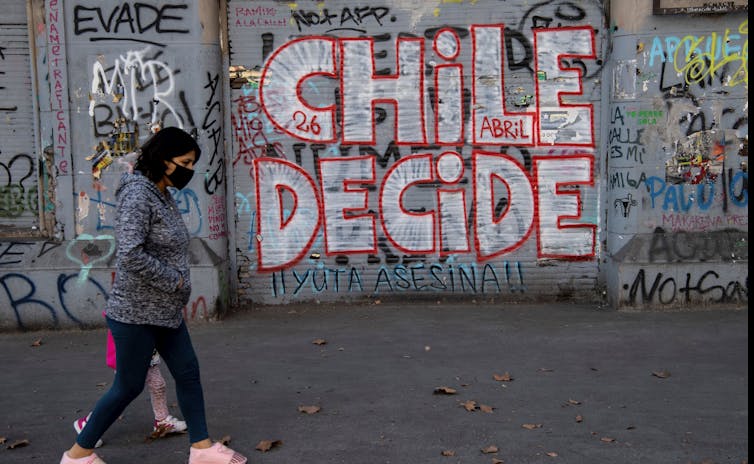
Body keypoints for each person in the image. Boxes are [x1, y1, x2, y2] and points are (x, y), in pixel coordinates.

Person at [60, 127, 247, 464]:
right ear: (164, 159)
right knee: (128, 386)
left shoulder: (161, 193)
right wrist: (174, 281)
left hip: (163, 310)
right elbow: (129, 254)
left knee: (187, 373)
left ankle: (201, 449)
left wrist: (173, 289)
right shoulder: (138, 195)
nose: (190, 169)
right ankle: (78, 455)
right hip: (135, 311)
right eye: (185, 162)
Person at [73, 335, 188, 448]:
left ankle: (162, 421)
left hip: (146, 343)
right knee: (123, 393)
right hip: (128, 345)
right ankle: (87, 424)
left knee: (158, 384)